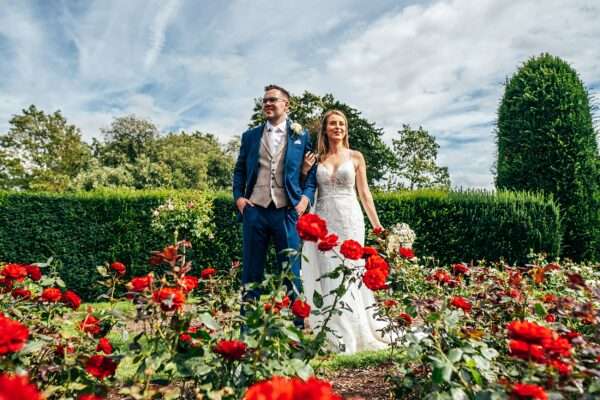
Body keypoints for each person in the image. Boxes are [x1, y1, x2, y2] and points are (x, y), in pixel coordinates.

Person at [301, 109, 390, 353]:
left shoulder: (356, 157)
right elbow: (305, 187)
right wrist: (304, 171)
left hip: (350, 219)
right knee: (327, 272)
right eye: (332, 123)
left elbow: (364, 193)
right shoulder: (316, 159)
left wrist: (376, 224)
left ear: (346, 128)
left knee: (350, 273)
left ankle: (356, 331)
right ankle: (332, 331)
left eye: (341, 124)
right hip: (323, 220)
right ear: (325, 128)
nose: (337, 127)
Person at [232, 84, 317, 326]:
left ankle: (299, 325)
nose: (267, 104)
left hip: (287, 211)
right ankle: (247, 326)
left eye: (273, 100)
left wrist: (305, 199)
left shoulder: (302, 135)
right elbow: (239, 170)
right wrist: (239, 197)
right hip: (255, 211)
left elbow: (311, 173)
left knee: (291, 270)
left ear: (286, 105)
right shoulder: (250, 136)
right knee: (251, 271)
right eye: (265, 101)